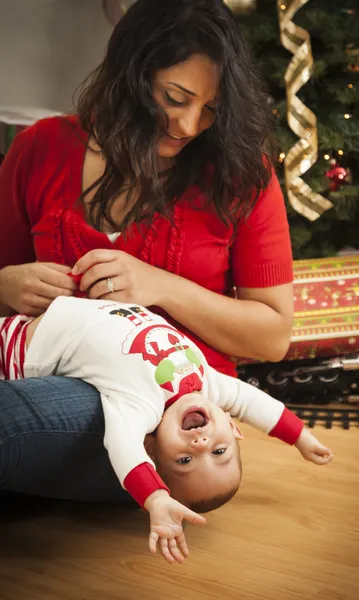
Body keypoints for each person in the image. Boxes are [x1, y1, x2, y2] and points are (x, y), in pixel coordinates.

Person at [0, 0, 294, 513]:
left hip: (151, 414)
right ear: (129, 75)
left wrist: (161, 286)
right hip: (33, 368)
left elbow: (272, 336)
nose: (187, 125)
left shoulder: (243, 177)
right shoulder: (38, 149)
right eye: (173, 98)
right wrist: (3, 284)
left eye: (211, 110)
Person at [0, 296, 333, 564]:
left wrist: (155, 497)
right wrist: (299, 436)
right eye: (220, 452)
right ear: (234, 429)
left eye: (184, 460)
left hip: (16, 349)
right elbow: (250, 400)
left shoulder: (139, 406)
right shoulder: (207, 385)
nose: (201, 444)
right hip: (44, 312)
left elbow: (123, 447)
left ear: (153, 446)